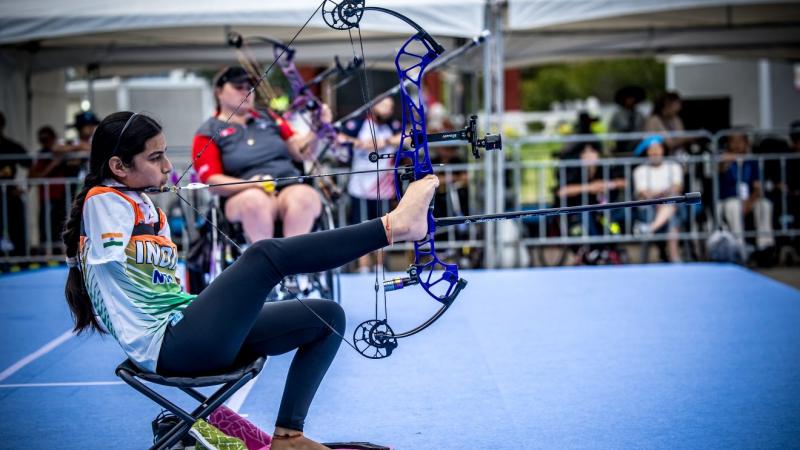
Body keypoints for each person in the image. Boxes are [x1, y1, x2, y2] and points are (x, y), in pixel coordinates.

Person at [62, 111, 439, 449]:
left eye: (164, 154)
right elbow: (105, 256)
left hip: (188, 329)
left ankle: (288, 437)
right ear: (118, 166)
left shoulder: (146, 207)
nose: (167, 166)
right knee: (263, 256)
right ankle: (393, 227)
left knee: (326, 317)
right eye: (155, 157)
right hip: (169, 348)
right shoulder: (103, 201)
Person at [193, 66, 325, 243]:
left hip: (288, 186)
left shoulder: (270, 118)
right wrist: (252, 184)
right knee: (255, 202)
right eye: (238, 87)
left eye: (250, 87)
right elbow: (211, 180)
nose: (246, 92)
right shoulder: (207, 132)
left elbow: (302, 152)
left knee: (305, 196)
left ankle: (293, 257)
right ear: (219, 92)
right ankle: (266, 258)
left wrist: (317, 128)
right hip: (243, 194)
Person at [342, 96, 402, 272]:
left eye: (390, 106)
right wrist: (361, 144)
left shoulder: (393, 126)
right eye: (384, 105)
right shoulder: (358, 124)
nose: (388, 109)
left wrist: (385, 142)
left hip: (384, 187)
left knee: (384, 228)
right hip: (360, 187)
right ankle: (363, 267)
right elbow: (339, 138)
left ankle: (379, 266)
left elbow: (410, 135)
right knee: (361, 227)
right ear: (374, 106)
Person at [717, 130, 775, 257]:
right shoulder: (723, 159)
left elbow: (757, 188)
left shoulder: (752, 161)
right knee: (733, 206)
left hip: (749, 199)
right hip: (729, 199)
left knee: (765, 205)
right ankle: (739, 247)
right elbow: (719, 169)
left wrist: (749, 202)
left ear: (747, 143)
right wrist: (729, 159)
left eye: (740, 141)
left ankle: (765, 246)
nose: (737, 144)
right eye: (733, 141)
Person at [632, 135, 684, 262]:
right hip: (648, 207)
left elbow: (677, 188)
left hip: (671, 204)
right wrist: (661, 196)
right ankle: (674, 257)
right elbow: (644, 193)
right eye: (652, 149)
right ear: (647, 152)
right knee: (672, 214)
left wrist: (661, 197)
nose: (655, 152)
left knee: (671, 207)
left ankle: (649, 229)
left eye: (658, 148)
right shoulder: (640, 170)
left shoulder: (674, 166)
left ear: (663, 150)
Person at [28, 126, 70, 252]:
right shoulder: (41, 155)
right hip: (46, 197)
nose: (45, 142)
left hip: (62, 196)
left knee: (59, 228)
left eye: (47, 138)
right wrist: (52, 165)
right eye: (42, 139)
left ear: (53, 137)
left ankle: (57, 254)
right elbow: (33, 176)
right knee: (45, 227)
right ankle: (43, 256)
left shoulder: (63, 152)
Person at [0, 111, 31, 256]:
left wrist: (24, 186)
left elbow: (30, 163)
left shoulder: (10, 145)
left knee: (17, 226)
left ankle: (20, 256)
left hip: (9, 193)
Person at [609, 85, 646, 154]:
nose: (631, 100)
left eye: (632, 98)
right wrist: (611, 145)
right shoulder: (618, 115)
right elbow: (611, 130)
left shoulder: (639, 115)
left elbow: (644, 129)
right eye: (628, 98)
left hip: (638, 146)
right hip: (622, 146)